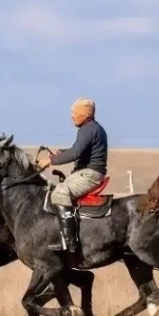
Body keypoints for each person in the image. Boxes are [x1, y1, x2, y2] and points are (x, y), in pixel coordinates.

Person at [36, 97, 108, 253]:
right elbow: (78, 149)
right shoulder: (92, 128)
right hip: (88, 173)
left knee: (60, 192)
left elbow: (75, 153)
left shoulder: (88, 129)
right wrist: (60, 152)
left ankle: (70, 242)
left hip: (89, 174)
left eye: (74, 113)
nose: (72, 116)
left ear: (84, 114)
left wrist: (50, 161)